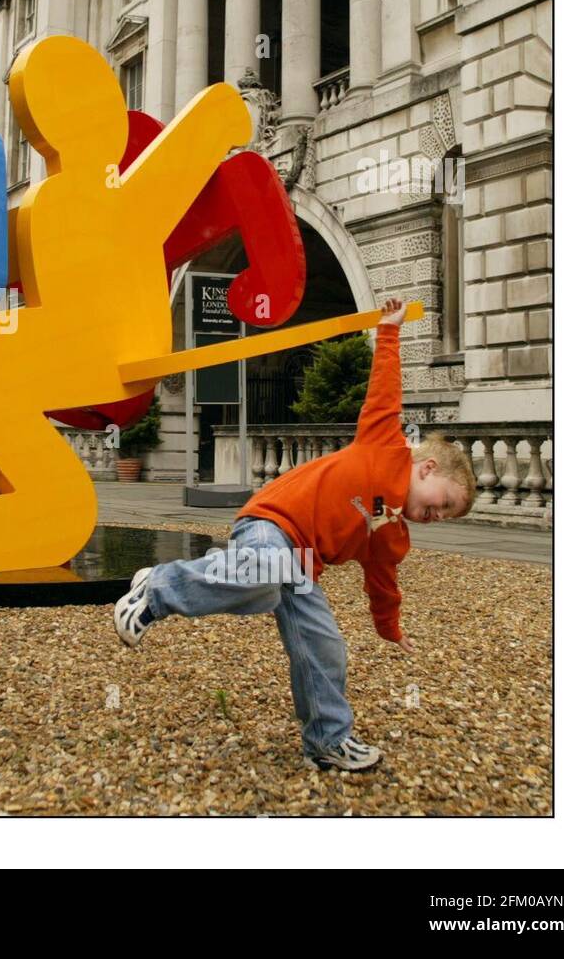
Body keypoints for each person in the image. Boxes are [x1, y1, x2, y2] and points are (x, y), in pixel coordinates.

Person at [113, 297, 477, 773]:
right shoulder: (384, 446)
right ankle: (156, 589)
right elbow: (385, 390)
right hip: (271, 523)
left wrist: (391, 630)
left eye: (447, 517)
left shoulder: (393, 537)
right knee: (265, 572)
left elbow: (383, 585)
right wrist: (389, 331)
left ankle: (328, 740)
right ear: (427, 469)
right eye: (443, 503)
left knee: (324, 646)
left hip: (301, 569)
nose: (438, 516)